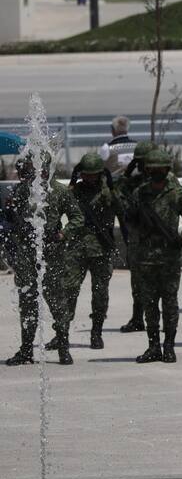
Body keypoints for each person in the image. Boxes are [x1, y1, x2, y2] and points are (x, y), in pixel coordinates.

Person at [3, 151, 84, 366]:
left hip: (52, 255)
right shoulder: (23, 190)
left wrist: (63, 234)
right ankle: (26, 350)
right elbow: (13, 219)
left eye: (38, 168)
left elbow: (77, 217)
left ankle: (63, 348)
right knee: (28, 303)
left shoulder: (59, 191)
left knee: (57, 303)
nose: (35, 172)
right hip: (27, 256)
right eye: (32, 168)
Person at [127, 149, 182, 364]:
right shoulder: (140, 194)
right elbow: (129, 221)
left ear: (167, 169)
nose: (157, 172)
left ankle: (169, 346)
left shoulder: (177, 193)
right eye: (153, 169)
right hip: (146, 257)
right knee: (149, 304)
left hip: (169, 257)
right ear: (147, 170)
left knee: (170, 304)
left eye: (161, 169)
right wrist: (139, 223)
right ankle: (153, 346)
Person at [64, 152, 122, 350]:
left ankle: (96, 332)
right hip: (76, 249)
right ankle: (62, 333)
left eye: (93, 174)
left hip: (101, 249)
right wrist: (73, 181)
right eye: (85, 174)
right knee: (69, 290)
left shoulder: (107, 193)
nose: (89, 178)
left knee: (100, 293)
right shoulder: (74, 192)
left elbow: (121, 207)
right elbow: (61, 204)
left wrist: (109, 186)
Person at [114, 140, 155, 334]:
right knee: (137, 283)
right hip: (137, 240)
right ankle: (138, 318)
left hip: (158, 240)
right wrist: (127, 173)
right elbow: (116, 193)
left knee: (161, 284)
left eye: (145, 162)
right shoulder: (134, 182)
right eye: (139, 162)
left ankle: (160, 319)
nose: (143, 166)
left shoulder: (164, 181)